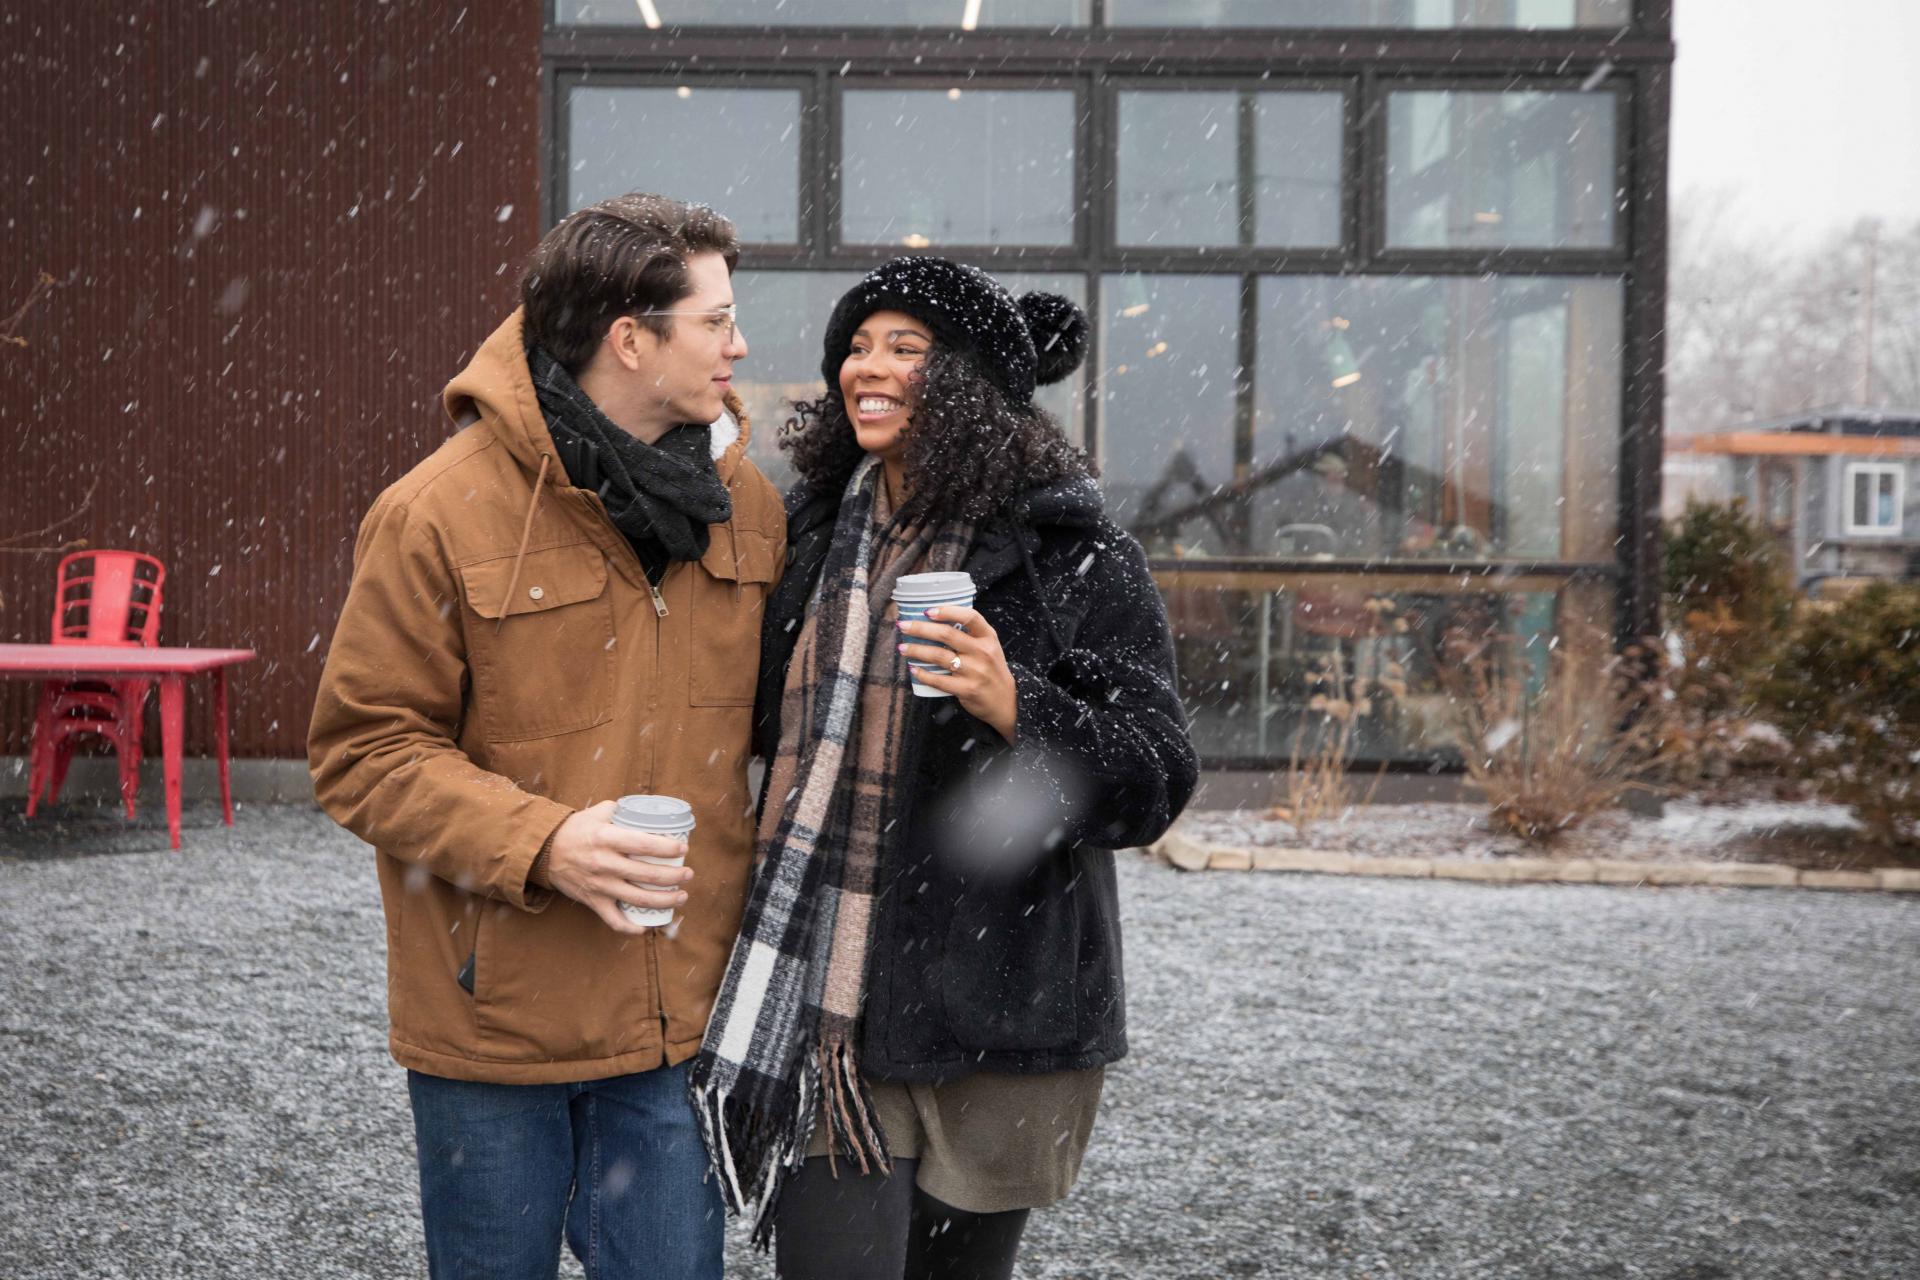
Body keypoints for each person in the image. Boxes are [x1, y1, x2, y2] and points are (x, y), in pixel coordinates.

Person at [307, 192, 785, 1280]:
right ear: (631, 337)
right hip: (494, 1027)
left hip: (674, 1018)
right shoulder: (436, 513)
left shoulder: (744, 507)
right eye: (714, 320)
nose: (739, 344)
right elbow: (364, 749)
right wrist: (545, 842)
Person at [690, 256, 1198, 1279]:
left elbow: (1154, 777)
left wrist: (1018, 703)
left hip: (1000, 1010)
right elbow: (747, 716)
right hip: (831, 1006)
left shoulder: (1075, 555)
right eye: (857, 346)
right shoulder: (810, 534)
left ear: (966, 381)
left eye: (904, 348)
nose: (864, 366)